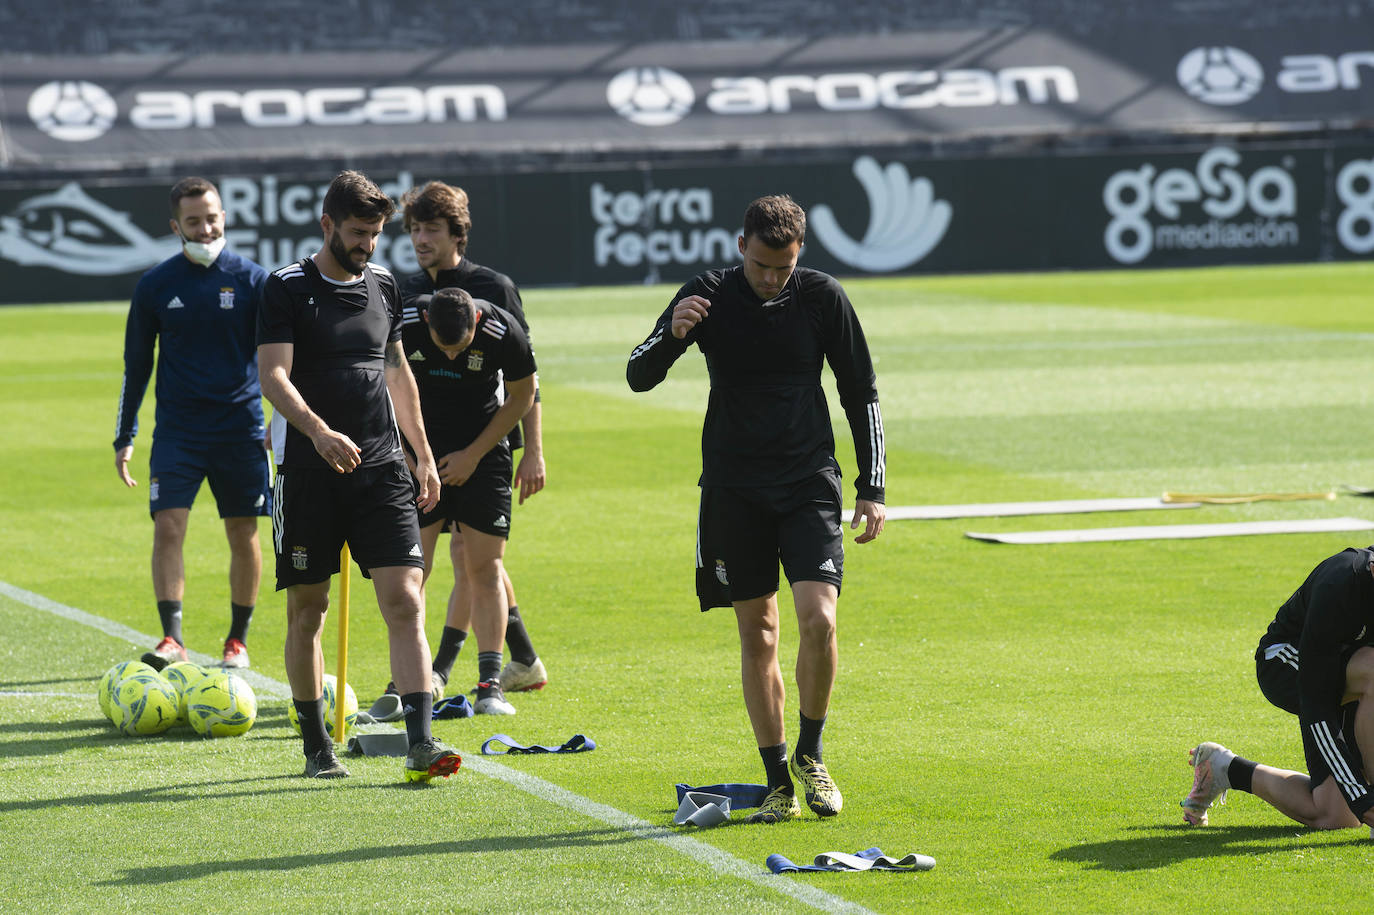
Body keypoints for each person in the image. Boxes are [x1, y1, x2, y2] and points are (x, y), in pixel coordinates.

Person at [626, 194, 887, 824]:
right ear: (741, 246)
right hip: (734, 489)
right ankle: (776, 780)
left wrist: (872, 486)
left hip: (807, 482)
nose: (773, 280)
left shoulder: (822, 296)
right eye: (764, 265)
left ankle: (811, 755)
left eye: (785, 267)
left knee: (819, 619)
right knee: (759, 631)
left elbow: (860, 390)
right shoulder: (708, 294)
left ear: (800, 256)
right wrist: (672, 334)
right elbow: (638, 374)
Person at [256, 170, 461, 782]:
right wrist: (318, 433)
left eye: (375, 234)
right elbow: (274, 377)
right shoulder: (286, 288)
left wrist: (421, 455)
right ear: (327, 226)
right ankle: (317, 745)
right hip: (308, 472)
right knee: (309, 610)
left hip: (382, 470)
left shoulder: (385, 286)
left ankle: (421, 741)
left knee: (404, 598)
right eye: (356, 233)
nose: (367, 245)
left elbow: (398, 374)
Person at [381, 180, 548, 709]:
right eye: (413, 229)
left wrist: (535, 451)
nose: (419, 239)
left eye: (431, 229)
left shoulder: (494, 288)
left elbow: (527, 380)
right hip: (421, 449)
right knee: (459, 560)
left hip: (484, 442)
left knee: (474, 557)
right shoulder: (403, 291)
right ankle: (500, 663)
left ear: (457, 234)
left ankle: (464, 672)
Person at [114, 176, 270, 672]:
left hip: (241, 429)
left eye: (213, 217)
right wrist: (125, 435)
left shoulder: (254, 281)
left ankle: (237, 642)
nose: (206, 228)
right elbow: (135, 365)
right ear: (175, 226)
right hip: (178, 433)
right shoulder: (156, 285)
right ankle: (172, 639)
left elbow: (281, 362)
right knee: (168, 528)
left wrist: (283, 423)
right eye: (194, 221)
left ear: (224, 215)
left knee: (244, 532)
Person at [400, 286, 536, 715]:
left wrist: (473, 456)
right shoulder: (403, 325)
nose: (454, 357)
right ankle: (411, 680)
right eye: (444, 348)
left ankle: (490, 685)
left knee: (484, 567)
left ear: (475, 323)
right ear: (427, 324)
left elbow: (522, 395)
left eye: (461, 348)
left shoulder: (502, 330)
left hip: (484, 453)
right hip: (421, 453)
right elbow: (383, 391)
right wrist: (413, 458)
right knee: (413, 569)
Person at [1182, 545, 1374, 830]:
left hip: (1348, 675)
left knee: (1335, 817)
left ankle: (1223, 768)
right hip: (1286, 663)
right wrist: (1364, 801)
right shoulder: (1339, 584)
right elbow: (1316, 703)